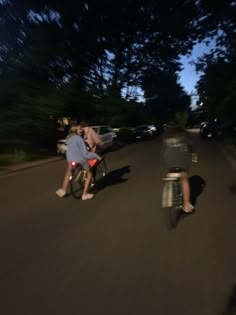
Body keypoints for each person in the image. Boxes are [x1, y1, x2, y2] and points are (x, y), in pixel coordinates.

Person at [56, 124, 102, 200]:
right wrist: (96, 156)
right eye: (80, 129)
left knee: (68, 172)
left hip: (70, 158)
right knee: (89, 174)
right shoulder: (79, 139)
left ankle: (63, 190)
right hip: (80, 159)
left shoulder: (69, 137)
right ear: (75, 130)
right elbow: (85, 154)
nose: (82, 130)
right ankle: (85, 194)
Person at [162, 121, 197, 213]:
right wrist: (193, 156)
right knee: (184, 178)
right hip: (181, 158)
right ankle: (186, 205)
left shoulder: (167, 135)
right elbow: (190, 146)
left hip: (168, 156)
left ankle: (170, 178)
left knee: (172, 169)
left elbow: (166, 146)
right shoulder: (184, 134)